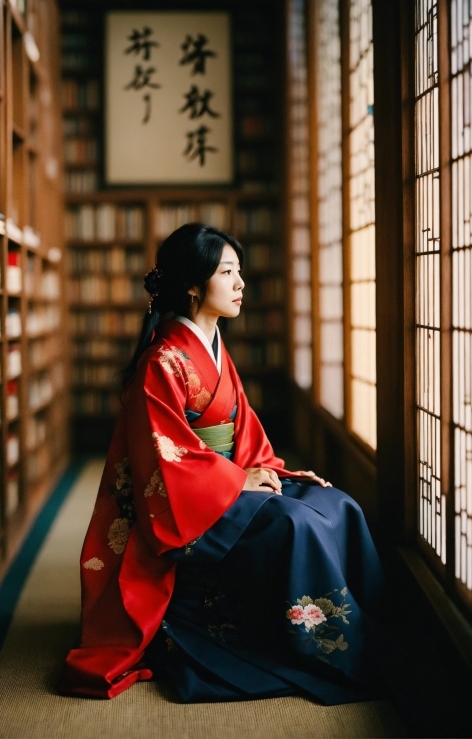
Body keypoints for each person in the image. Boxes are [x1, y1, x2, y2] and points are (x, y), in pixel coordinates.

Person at [59, 223, 384, 703]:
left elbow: (244, 426)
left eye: (240, 272)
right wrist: (236, 482)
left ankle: (379, 632)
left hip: (225, 479)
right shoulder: (162, 361)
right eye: (227, 272)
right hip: (191, 503)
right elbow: (166, 454)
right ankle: (327, 650)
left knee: (337, 504)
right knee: (297, 523)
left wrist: (275, 471)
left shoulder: (212, 347)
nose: (241, 284)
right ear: (193, 285)